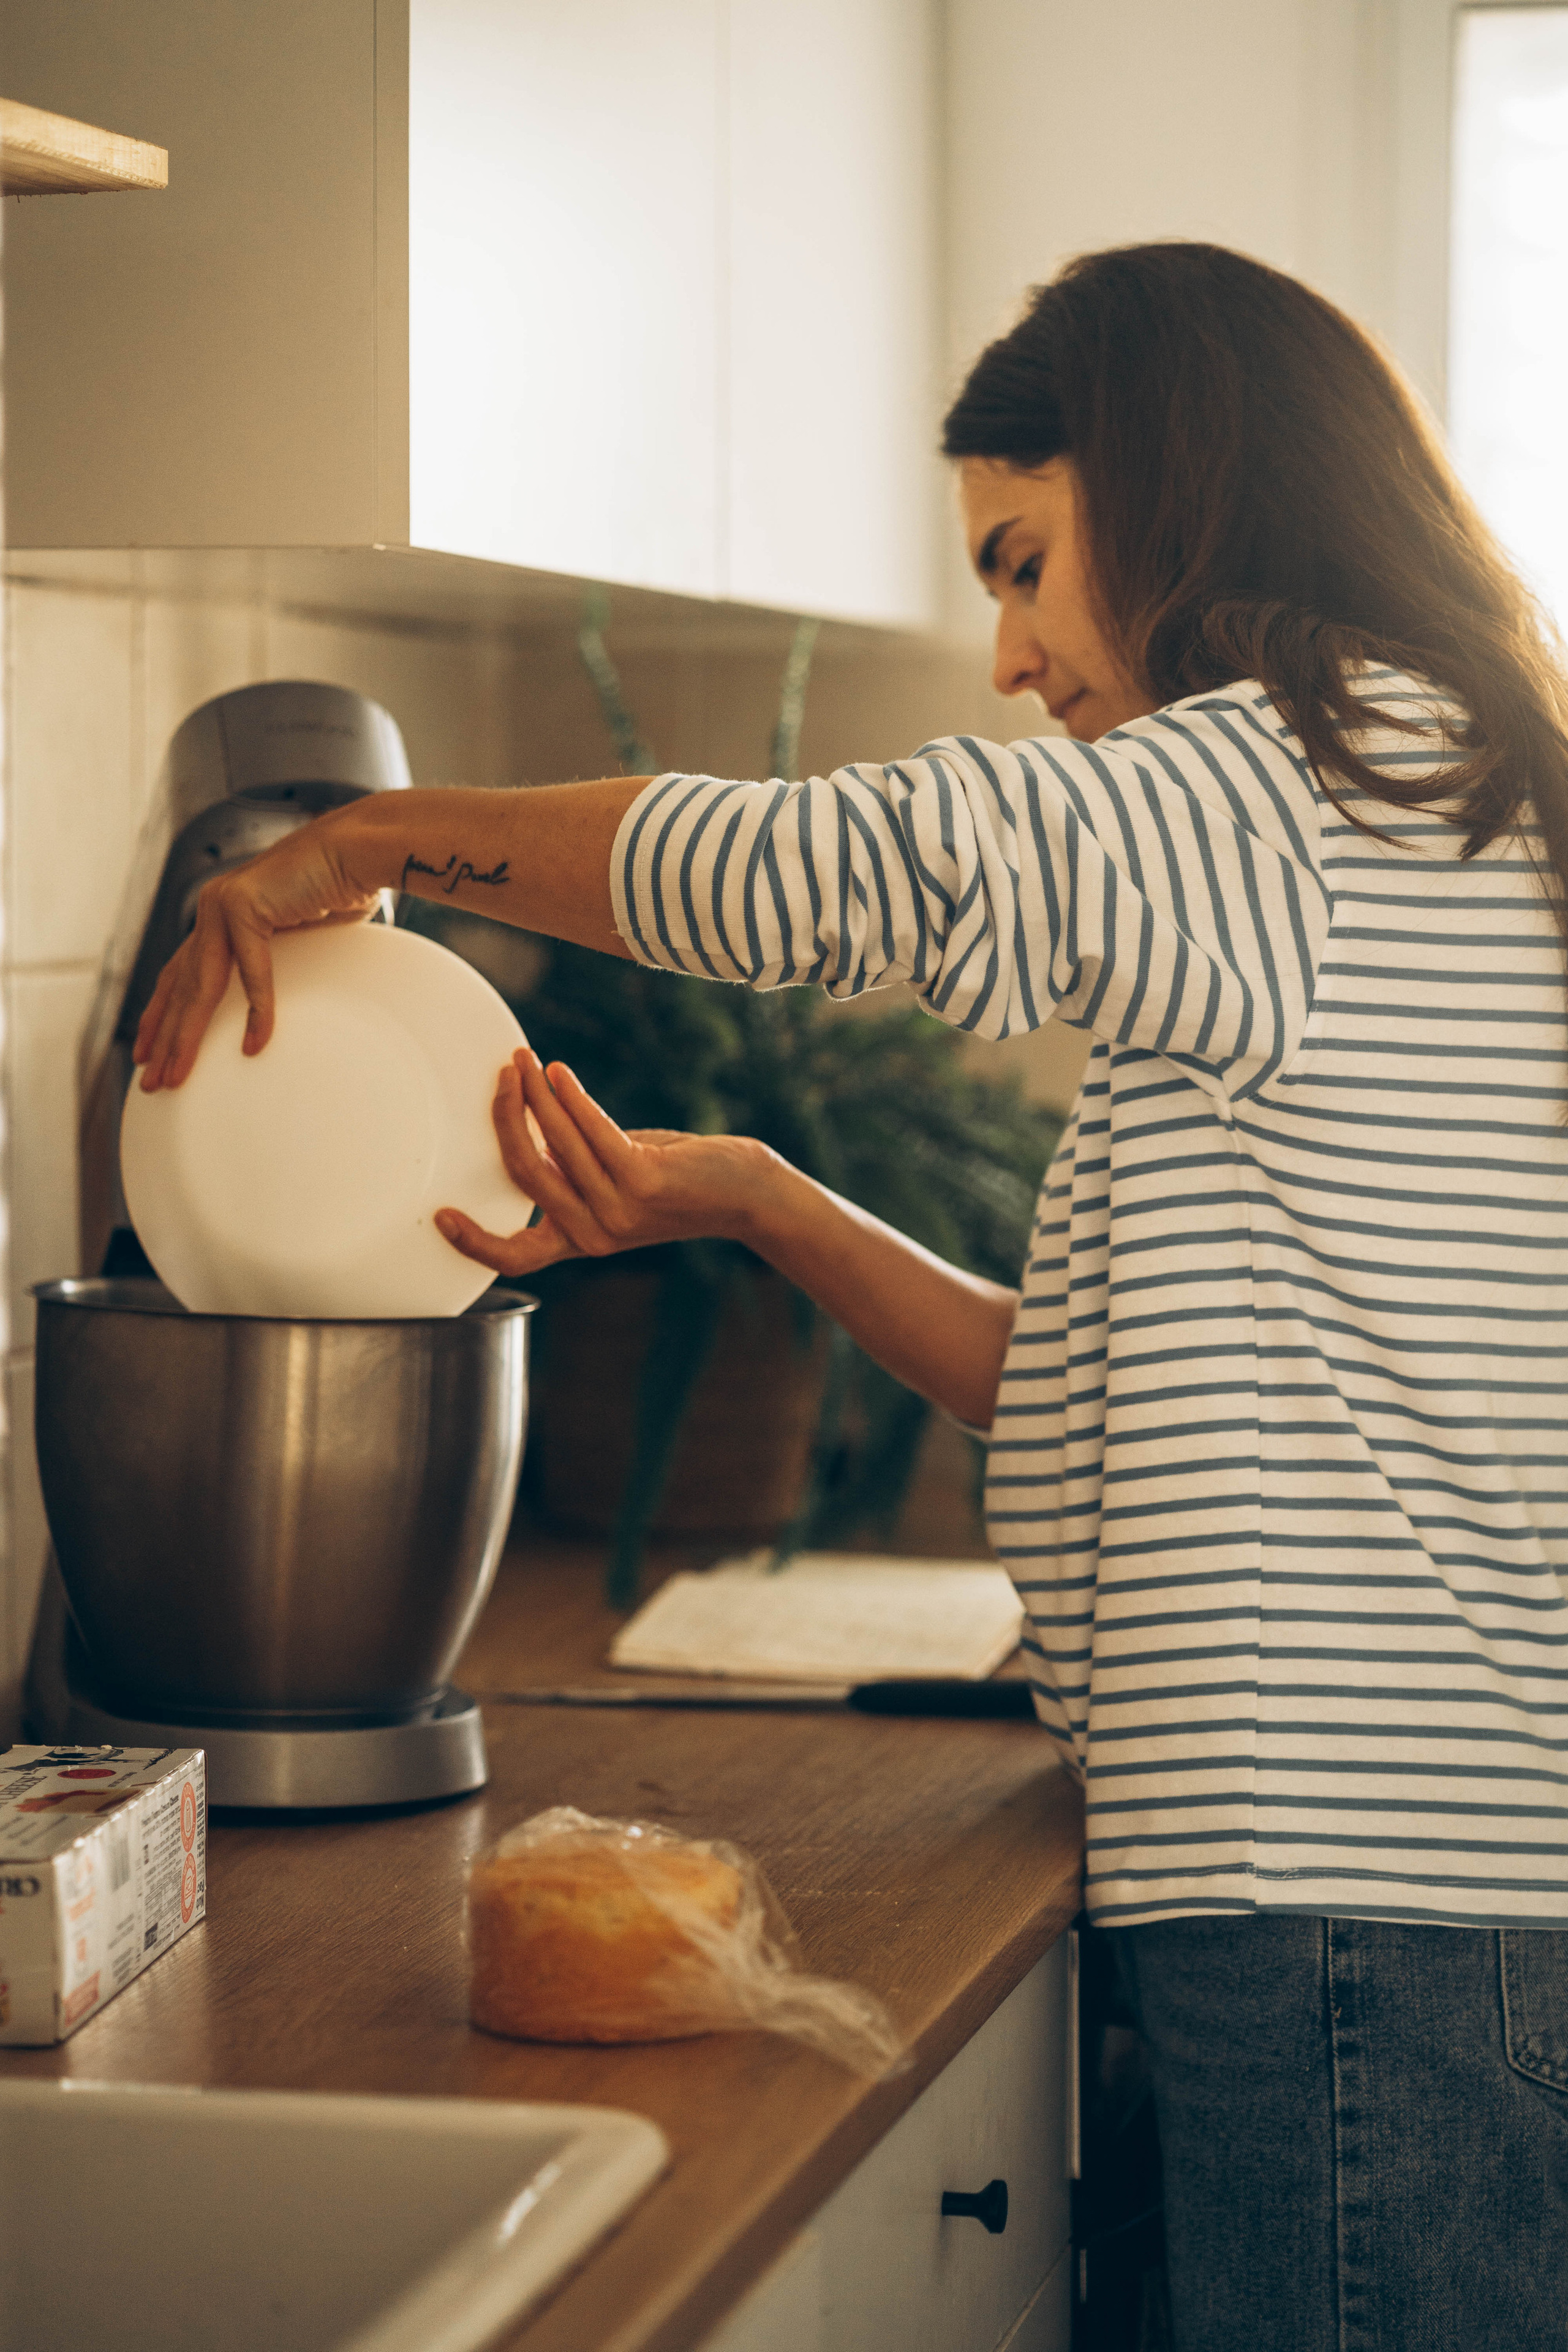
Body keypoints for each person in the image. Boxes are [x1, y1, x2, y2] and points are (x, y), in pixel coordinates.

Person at [135, 243, 1568, 2350]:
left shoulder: (1293, 787)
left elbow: (828, 867)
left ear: (1182, 489)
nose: (1007, 655)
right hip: (1399, 1906)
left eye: (1022, 561)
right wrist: (753, 1200)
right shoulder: (1417, 793)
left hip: (1365, 1919)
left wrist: (373, 843)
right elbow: (1067, 1382)